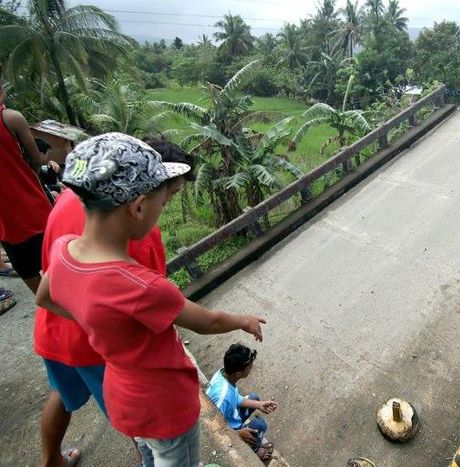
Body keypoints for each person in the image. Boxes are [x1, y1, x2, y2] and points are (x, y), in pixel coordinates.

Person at [36, 133, 267, 467]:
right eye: (163, 201)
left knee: (149, 450)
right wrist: (242, 319)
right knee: (178, 459)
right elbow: (207, 322)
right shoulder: (141, 285)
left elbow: (46, 297)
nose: (163, 208)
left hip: (123, 396)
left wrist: (97, 318)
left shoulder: (64, 250)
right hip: (164, 404)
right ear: (139, 205)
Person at [34, 139, 195, 467]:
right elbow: (152, 307)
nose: (165, 207)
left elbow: (48, 278)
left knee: (61, 396)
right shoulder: (135, 238)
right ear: (142, 198)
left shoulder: (80, 195)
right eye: (166, 199)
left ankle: (50, 460)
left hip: (53, 324)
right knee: (147, 428)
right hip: (99, 344)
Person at [0, 82, 53, 294]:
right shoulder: (11, 118)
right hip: (31, 205)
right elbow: (34, 159)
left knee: (29, 274)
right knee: (56, 263)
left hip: (5, 220)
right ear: (2, 92)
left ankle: (53, 315)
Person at [207, 343, 277, 461]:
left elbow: (236, 399)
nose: (251, 368)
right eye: (249, 367)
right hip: (227, 428)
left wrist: (259, 405)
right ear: (239, 373)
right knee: (260, 424)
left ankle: (245, 434)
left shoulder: (223, 374)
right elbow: (215, 430)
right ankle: (254, 450)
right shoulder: (223, 398)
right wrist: (238, 434)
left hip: (228, 417)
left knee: (254, 398)